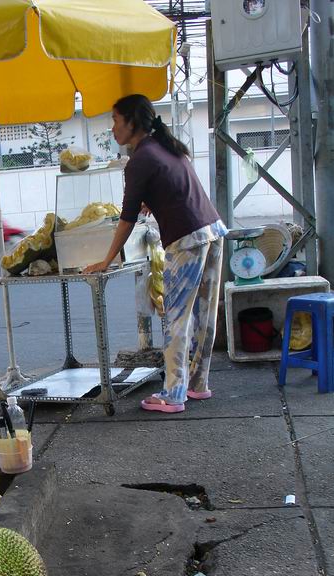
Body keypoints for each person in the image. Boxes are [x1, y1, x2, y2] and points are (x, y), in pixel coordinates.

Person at [84, 94, 227, 414]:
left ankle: (173, 394)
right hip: (212, 230)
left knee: (176, 317)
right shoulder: (166, 146)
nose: (112, 128)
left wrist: (107, 260)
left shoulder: (140, 159)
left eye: (115, 120)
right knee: (204, 315)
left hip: (187, 238)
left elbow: (127, 217)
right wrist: (155, 200)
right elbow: (173, 186)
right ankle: (197, 384)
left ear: (132, 122)